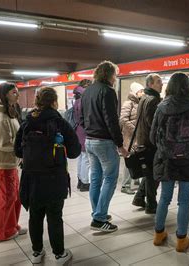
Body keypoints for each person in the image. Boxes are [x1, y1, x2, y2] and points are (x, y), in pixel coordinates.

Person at [14, 87, 81, 265]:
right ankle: (59, 254)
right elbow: (74, 152)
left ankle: (37, 253)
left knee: (35, 215)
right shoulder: (59, 122)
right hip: (54, 177)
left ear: (37, 101)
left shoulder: (27, 122)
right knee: (54, 216)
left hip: (31, 177)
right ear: (54, 102)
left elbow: (17, 151)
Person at [151, 72, 189, 252]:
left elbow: (153, 136)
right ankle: (181, 240)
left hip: (166, 159)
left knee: (164, 198)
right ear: (188, 87)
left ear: (169, 87)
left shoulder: (161, 106)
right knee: (184, 201)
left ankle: (158, 234)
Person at [80, 61, 129, 232]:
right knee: (110, 178)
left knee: (95, 178)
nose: (116, 78)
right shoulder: (107, 91)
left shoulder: (87, 91)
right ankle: (100, 218)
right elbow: (111, 120)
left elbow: (81, 117)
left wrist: (88, 130)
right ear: (108, 74)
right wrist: (120, 144)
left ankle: (97, 212)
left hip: (90, 141)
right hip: (104, 142)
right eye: (115, 74)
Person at [0, 83, 26, 242]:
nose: (18, 95)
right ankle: (1, 232)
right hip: (3, 165)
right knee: (4, 199)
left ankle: (12, 226)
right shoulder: (0, 118)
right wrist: (22, 146)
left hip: (11, 163)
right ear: (5, 95)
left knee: (14, 197)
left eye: (17, 92)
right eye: (14, 92)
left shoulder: (9, 113)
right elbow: (2, 143)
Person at [132, 74, 163, 214]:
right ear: (150, 84)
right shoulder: (153, 100)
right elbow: (154, 124)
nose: (161, 84)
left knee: (149, 173)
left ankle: (139, 197)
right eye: (158, 82)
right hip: (151, 143)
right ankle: (151, 205)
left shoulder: (143, 98)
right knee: (153, 175)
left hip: (143, 140)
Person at [65, 79, 92, 192]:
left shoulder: (77, 97)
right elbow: (86, 117)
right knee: (86, 158)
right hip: (84, 131)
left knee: (81, 157)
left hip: (78, 130)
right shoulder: (84, 98)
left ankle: (81, 180)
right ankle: (85, 182)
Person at [120, 82, 144, 195]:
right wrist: (135, 129)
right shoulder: (128, 103)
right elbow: (123, 119)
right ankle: (125, 185)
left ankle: (137, 180)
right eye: (140, 91)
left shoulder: (140, 103)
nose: (142, 93)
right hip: (130, 137)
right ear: (135, 92)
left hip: (138, 137)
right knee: (129, 160)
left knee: (138, 158)